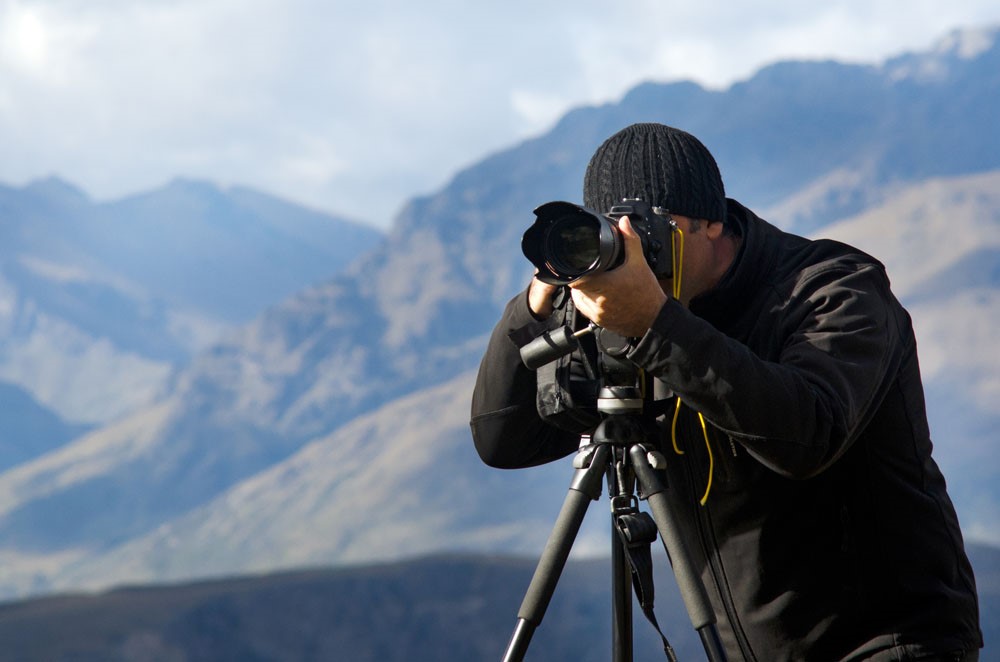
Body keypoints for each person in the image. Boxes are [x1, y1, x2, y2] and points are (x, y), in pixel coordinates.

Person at [470, 123, 983, 661]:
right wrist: (535, 305)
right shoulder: (610, 318)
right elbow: (504, 441)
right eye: (612, 237)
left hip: (884, 643)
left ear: (712, 222)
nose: (634, 258)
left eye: (648, 233)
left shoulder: (833, 289)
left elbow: (807, 435)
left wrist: (656, 324)